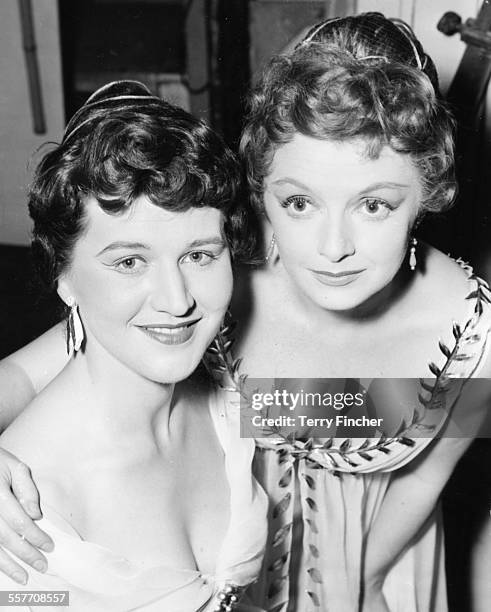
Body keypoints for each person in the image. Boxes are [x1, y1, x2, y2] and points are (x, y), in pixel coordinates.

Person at [0, 12, 489, 612]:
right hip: (222, 533)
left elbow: (421, 481)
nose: (332, 247)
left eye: (375, 205)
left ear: (426, 197)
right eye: (300, 201)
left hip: (377, 558)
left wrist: (360, 584)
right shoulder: (214, 269)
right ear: (261, 190)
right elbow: (30, 372)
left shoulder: (471, 334)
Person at [0, 80, 268, 611]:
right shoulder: (27, 525)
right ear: (65, 278)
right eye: (129, 262)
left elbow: (360, 411)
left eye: (199, 255)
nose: (176, 301)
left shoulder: (221, 387)